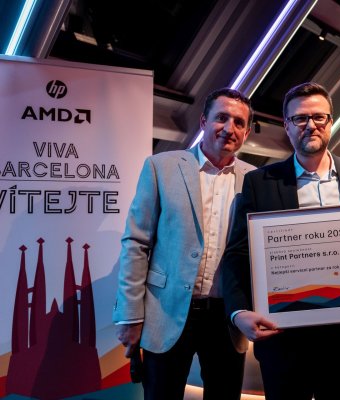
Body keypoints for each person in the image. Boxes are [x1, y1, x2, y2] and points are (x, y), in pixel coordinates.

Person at [221, 82, 340, 400]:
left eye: (319, 117)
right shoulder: (260, 182)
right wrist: (237, 312)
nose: (310, 125)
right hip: (282, 341)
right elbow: (237, 254)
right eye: (300, 118)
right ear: (287, 125)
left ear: (330, 121)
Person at [112, 88, 255, 400]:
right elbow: (136, 242)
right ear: (203, 121)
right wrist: (130, 315)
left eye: (239, 122)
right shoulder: (161, 167)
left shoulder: (256, 180)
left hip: (227, 317)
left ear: (246, 132)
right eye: (221, 118)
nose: (229, 128)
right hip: (166, 311)